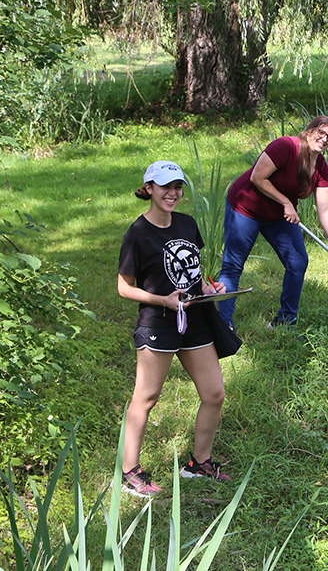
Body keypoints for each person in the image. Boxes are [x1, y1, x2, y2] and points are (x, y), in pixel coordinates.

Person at [116, 160, 232, 497]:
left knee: (214, 393)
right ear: (149, 188)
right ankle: (129, 473)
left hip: (193, 319)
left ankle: (199, 463)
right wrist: (161, 300)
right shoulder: (138, 234)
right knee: (147, 397)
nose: (173, 193)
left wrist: (207, 290)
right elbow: (124, 287)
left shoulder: (186, 224)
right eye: (165, 186)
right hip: (158, 322)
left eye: (178, 187)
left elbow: (191, 273)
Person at [217, 115, 328, 329]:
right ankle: (223, 325)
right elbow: (257, 177)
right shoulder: (286, 146)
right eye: (321, 132)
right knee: (233, 266)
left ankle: (285, 321)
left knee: (297, 262)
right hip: (246, 207)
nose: (324, 139)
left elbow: (324, 209)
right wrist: (286, 202)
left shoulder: (321, 169)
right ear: (309, 130)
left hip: (278, 216)